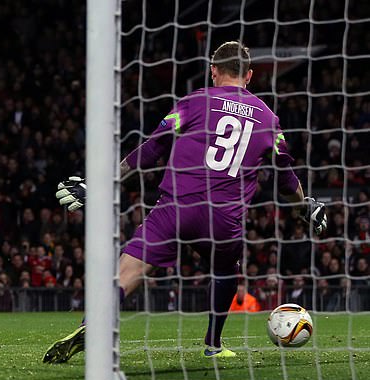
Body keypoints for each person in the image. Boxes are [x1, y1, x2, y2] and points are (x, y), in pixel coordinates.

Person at [43, 41, 327, 363]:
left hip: (177, 206)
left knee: (130, 268)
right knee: (224, 273)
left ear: (213, 70)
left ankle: (91, 324)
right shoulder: (267, 117)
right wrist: (305, 206)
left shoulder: (195, 101)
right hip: (224, 218)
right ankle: (214, 344)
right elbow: (286, 177)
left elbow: (152, 149)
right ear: (249, 75)